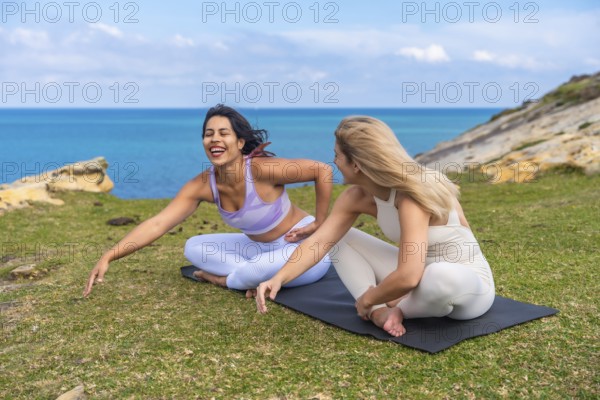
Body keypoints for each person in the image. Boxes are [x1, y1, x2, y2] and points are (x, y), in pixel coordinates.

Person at [256, 116, 495, 337]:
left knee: (440, 276)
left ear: (357, 164)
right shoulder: (356, 196)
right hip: (416, 275)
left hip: (465, 284)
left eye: (338, 155)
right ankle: (381, 311)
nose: (335, 162)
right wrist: (279, 278)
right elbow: (320, 242)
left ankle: (393, 307)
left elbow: (409, 276)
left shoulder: (412, 195)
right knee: (340, 238)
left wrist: (368, 298)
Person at [83, 104, 333, 298]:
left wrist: (319, 223)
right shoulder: (203, 185)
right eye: (208, 134)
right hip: (258, 249)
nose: (214, 139)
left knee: (255, 270)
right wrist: (109, 255)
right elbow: (159, 223)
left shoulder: (261, 170)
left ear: (240, 142)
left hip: (307, 250)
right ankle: (251, 275)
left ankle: (224, 280)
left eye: (224, 133)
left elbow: (322, 170)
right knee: (193, 247)